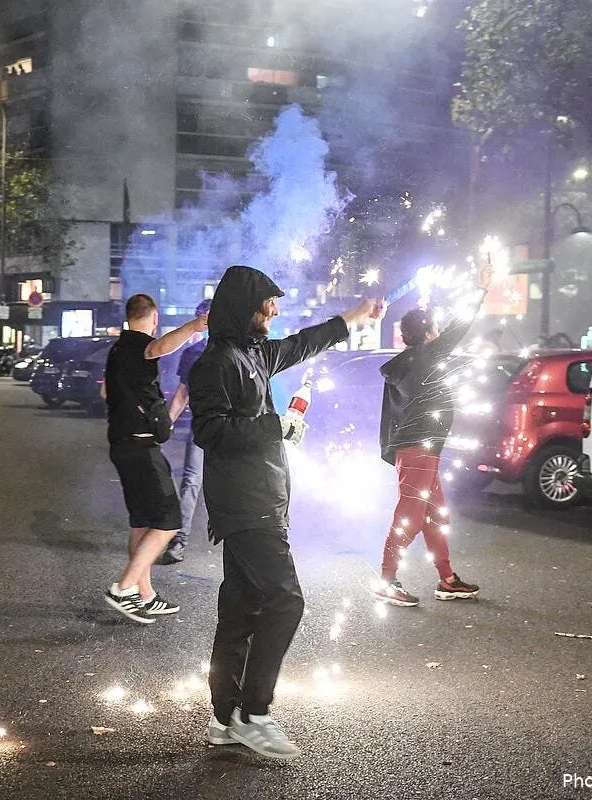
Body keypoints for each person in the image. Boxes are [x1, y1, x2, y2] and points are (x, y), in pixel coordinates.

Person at [189, 265, 380, 760]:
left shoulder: (253, 353)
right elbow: (211, 433)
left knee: (239, 613)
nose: (272, 312)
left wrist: (350, 320)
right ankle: (254, 713)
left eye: (273, 304)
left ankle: (224, 721)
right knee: (286, 602)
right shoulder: (216, 363)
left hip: (262, 499)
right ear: (240, 309)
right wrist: (279, 425)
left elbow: (299, 345)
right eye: (263, 305)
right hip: (245, 505)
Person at [374, 262, 493, 608]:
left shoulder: (407, 363)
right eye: (436, 328)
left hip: (419, 450)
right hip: (419, 451)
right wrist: (480, 290)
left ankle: (447, 579)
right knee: (410, 517)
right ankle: (385, 580)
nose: (441, 332)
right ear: (428, 334)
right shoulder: (426, 357)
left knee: (435, 516)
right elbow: (462, 326)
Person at [103, 293, 208, 624]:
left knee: (142, 521)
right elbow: (158, 348)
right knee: (168, 520)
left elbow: (105, 392)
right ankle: (123, 588)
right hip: (140, 446)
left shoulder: (117, 349)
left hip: (122, 444)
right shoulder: (137, 344)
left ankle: (144, 595)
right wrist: (194, 326)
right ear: (153, 318)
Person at [156, 298, 212, 565]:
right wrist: (165, 423)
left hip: (232, 430)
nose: (204, 320)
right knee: (191, 481)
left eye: (207, 315)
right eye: (200, 316)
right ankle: (179, 541)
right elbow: (182, 394)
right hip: (202, 427)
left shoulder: (239, 347)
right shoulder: (193, 353)